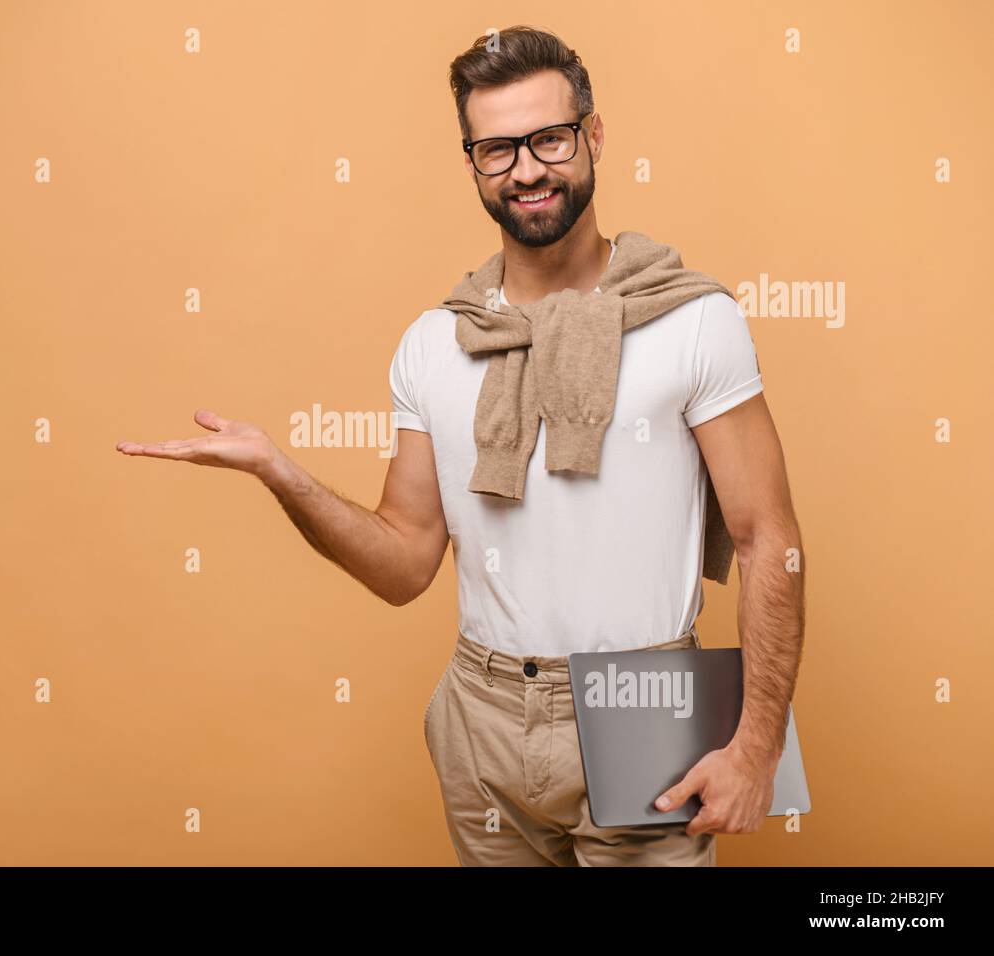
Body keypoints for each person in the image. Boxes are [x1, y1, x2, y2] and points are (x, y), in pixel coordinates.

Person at [116, 25, 805, 867]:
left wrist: (758, 747)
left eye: (548, 138)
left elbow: (772, 540)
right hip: (481, 710)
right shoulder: (434, 345)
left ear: (592, 134)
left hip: (643, 699)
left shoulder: (692, 320)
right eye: (496, 149)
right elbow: (406, 563)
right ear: (471, 161)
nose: (526, 169)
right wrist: (279, 471)